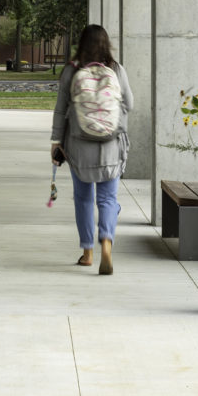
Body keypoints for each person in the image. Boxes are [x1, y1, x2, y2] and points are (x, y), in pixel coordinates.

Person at [50, 24, 134, 276]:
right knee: (108, 198)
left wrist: (56, 142)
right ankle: (106, 241)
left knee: (83, 198)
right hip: (110, 145)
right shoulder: (116, 70)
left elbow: (60, 109)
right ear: (106, 44)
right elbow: (129, 103)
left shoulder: (71, 71)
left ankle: (88, 252)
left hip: (78, 145)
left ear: (81, 44)